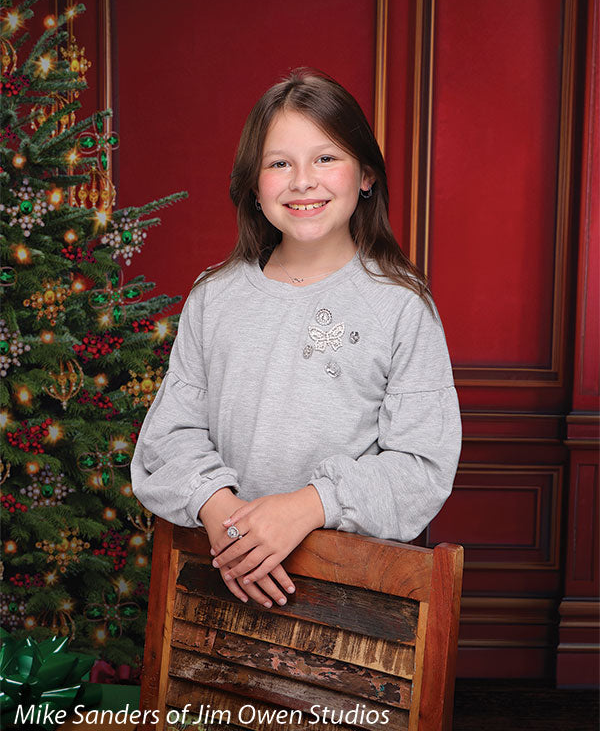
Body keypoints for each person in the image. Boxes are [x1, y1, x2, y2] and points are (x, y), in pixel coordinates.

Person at [130, 67, 462, 612]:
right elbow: (168, 436)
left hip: (350, 600)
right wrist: (219, 510)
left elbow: (421, 468)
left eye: (326, 158)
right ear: (253, 185)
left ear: (366, 175)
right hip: (220, 582)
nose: (302, 181)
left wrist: (309, 506)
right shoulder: (214, 298)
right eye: (279, 163)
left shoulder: (403, 306)